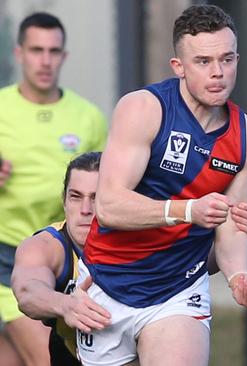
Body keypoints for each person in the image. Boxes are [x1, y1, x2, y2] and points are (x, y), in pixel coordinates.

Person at [81, 5, 247, 366]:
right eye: (203, 61)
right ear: (179, 67)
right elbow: (109, 206)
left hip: (179, 289)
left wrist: (239, 277)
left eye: (227, 59)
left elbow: (232, 226)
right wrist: (188, 210)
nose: (218, 73)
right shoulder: (143, 109)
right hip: (107, 280)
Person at [10, 151, 247, 365]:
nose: (85, 210)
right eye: (76, 197)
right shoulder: (48, 245)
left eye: (96, 197)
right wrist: (66, 305)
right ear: (64, 201)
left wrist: (240, 229)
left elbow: (198, 263)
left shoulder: (146, 239)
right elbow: (27, 290)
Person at [0, 12, 108, 365]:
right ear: (19, 54)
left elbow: (110, 186)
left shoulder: (88, 116)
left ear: (64, 56)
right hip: (8, 252)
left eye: (53, 51)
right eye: (36, 50)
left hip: (67, 256)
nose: (45, 61)